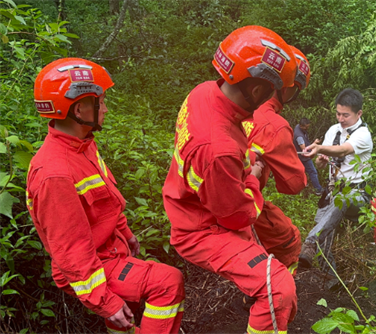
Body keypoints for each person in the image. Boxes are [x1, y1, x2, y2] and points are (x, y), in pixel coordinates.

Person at [26, 58, 185, 334]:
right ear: (79, 108)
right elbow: (71, 252)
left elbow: (105, 201)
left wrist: (127, 233)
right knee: (168, 282)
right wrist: (105, 301)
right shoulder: (54, 174)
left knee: (126, 311)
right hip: (90, 265)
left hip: (108, 248)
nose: (106, 109)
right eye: (101, 101)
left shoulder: (82, 145)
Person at [162, 26, 298, 334]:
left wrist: (244, 164)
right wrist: (255, 177)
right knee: (279, 288)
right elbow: (237, 216)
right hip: (202, 228)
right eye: (271, 90)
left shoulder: (203, 93)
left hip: (193, 205)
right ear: (257, 90)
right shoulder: (218, 149)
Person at [241, 45, 313, 276]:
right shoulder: (275, 126)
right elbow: (293, 185)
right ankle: (273, 293)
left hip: (200, 201)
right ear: (287, 88)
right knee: (289, 239)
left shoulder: (230, 106)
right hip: (242, 201)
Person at [298, 88, 373, 286]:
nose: (341, 119)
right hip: (333, 191)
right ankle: (331, 276)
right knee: (325, 227)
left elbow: (343, 149)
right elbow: (327, 160)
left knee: (343, 199)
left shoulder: (363, 134)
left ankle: (310, 243)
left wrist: (320, 148)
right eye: (338, 113)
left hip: (357, 195)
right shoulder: (333, 130)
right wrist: (322, 160)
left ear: (359, 114)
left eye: (345, 115)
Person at [294, 117, 324, 195]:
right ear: (301, 126)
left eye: (308, 126)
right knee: (312, 172)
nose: (307, 128)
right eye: (306, 127)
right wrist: (315, 143)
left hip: (299, 156)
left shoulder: (298, 127)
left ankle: (303, 185)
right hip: (304, 157)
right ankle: (318, 190)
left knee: (301, 171)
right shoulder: (299, 136)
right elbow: (304, 149)